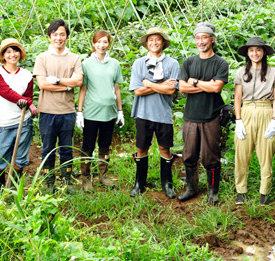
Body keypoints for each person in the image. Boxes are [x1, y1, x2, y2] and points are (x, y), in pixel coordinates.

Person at [177, 22, 229, 204]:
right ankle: (191, 187)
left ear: (212, 39)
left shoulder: (221, 63)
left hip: (211, 116)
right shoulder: (189, 62)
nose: (201, 41)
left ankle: (213, 191)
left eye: (204, 37)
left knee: (211, 155)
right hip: (191, 116)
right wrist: (206, 85)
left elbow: (216, 88)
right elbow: (182, 87)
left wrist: (195, 82)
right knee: (189, 154)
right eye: (198, 38)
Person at [128, 27, 180, 198]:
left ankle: (167, 183)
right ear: (147, 43)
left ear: (163, 42)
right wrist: (162, 85)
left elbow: (171, 91)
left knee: (165, 148)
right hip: (143, 113)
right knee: (142, 148)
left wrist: (148, 84)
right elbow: (137, 91)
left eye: (158, 39)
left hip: (163, 113)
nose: (154, 43)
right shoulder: (138, 63)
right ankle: (139, 183)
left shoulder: (172, 64)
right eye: (151, 40)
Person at [33, 19, 83, 193]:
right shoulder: (42, 58)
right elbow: (42, 85)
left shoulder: (74, 58)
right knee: (48, 148)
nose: (58, 38)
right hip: (47, 111)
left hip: (67, 111)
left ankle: (67, 181)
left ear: (67, 37)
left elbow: (79, 81)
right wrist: (67, 86)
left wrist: (57, 80)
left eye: (62, 34)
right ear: (49, 37)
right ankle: (49, 182)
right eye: (55, 34)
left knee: (66, 148)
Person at [233, 37, 275, 205]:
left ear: (264, 52)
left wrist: (274, 120)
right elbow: (238, 97)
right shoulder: (241, 72)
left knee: (266, 154)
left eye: (258, 50)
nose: (255, 53)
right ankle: (241, 191)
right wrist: (238, 120)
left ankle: (265, 192)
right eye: (251, 50)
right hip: (246, 111)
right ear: (247, 53)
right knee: (242, 153)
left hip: (265, 110)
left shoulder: (273, 72)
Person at [76, 31, 124, 191]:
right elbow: (83, 88)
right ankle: (86, 178)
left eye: (105, 42)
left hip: (109, 113)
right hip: (91, 112)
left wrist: (120, 111)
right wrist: (80, 111)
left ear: (109, 44)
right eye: (98, 42)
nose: (101, 45)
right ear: (93, 43)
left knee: (105, 145)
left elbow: (116, 88)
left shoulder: (114, 64)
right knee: (88, 146)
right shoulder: (87, 64)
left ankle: (103, 175)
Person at [0, 38, 37, 191]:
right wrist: (28, 103)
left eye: (15, 51)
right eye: (8, 52)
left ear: (20, 54)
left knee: (20, 158)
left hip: (23, 121)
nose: (12, 54)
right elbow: (6, 92)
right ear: (3, 55)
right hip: (3, 123)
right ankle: (0, 189)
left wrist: (28, 102)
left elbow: (28, 95)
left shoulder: (27, 74)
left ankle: (13, 189)